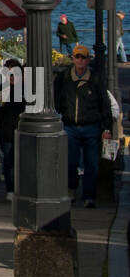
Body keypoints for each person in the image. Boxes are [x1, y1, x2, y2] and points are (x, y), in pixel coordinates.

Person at [53, 44, 112, 207]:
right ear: (72, 59)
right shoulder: (63, 78)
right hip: (70, 126)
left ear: (87, 60)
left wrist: (106, 128)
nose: (80, 61)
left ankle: (89, 196)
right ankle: (71, 188)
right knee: (70, 162)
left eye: (83, 58)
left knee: (91, 163)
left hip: (91, 126)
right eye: (77, 57)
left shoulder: (96, 79)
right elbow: (56, 101)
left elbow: (104, 104)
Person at [0, 57, 26, 199]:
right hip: (6, 132)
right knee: (9, 161)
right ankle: (10, 189)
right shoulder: (0, 90)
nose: (11, 77)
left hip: (24, 132)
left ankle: (22, 189)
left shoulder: (27, 89)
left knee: (23, 161)